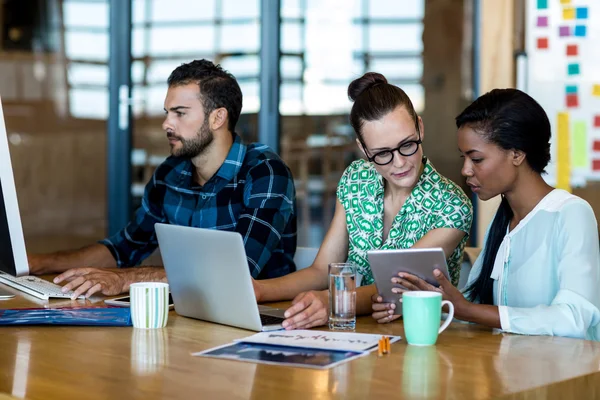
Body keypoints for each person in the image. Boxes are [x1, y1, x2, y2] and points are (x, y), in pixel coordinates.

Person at [29, 59, 297, 299]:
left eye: (179, 113)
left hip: (262, 320)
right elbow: (122, 249)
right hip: (188, 312)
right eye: (167, 112)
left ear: (217, 117)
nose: (166, 124)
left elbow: (234, 272)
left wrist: (125, 280)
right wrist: (38, 263)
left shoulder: (265, 172)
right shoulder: (170, 173)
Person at [254, 72, 473, 329]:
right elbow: (321, 271)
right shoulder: (356, 180)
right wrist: (258, 290)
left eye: (407, 145)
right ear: (364, 149)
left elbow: (394, 285)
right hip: (358, 332)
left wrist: (333, 301)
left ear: (420, 128)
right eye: (382, 154)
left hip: (421, 336)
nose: (399, 162)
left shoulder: (452, 206)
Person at [385, 88, 600, 340]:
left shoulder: (571, 213)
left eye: (476, 159)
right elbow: (474, 303)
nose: (465, 170)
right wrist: (414, 300)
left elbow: (575, 318)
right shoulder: (504, 222)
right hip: (512, 373)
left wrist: (468, 310)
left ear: (517, 154)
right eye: (463, 157)